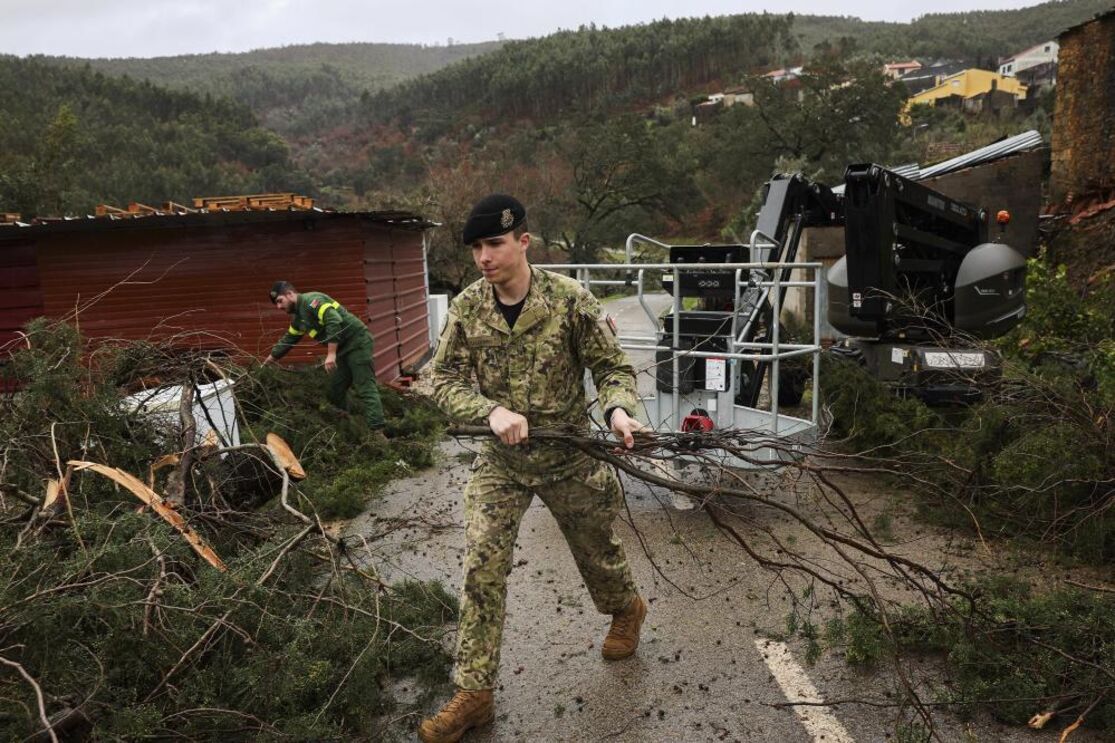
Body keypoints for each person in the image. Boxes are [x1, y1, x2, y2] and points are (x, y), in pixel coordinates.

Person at [420, 194, 647, 743]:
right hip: (502, 462)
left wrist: (618, 410)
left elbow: (611, 366)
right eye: (475, 247)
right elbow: (439, 378)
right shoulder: (468, 307)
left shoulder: (570, 301)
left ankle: (626, 609)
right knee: (482, 564)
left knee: (598, 551)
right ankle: (475, 693)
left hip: (568, 454)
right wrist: (490, 411)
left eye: (494, 243)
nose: (483, 257)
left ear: (524, 241)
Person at [263, 281, 386, 432]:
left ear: (290, 294)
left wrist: (331, 354)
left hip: (357, 343)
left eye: (280, 301)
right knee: (336, 390)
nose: (279, 307)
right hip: (342, 349)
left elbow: (333, 320)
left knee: (364, 385)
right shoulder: (298, 318)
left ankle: (377, 431)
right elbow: (288, 339)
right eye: (276, 304)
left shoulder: (311, 301)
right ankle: (349, 426)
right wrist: (270, 360)